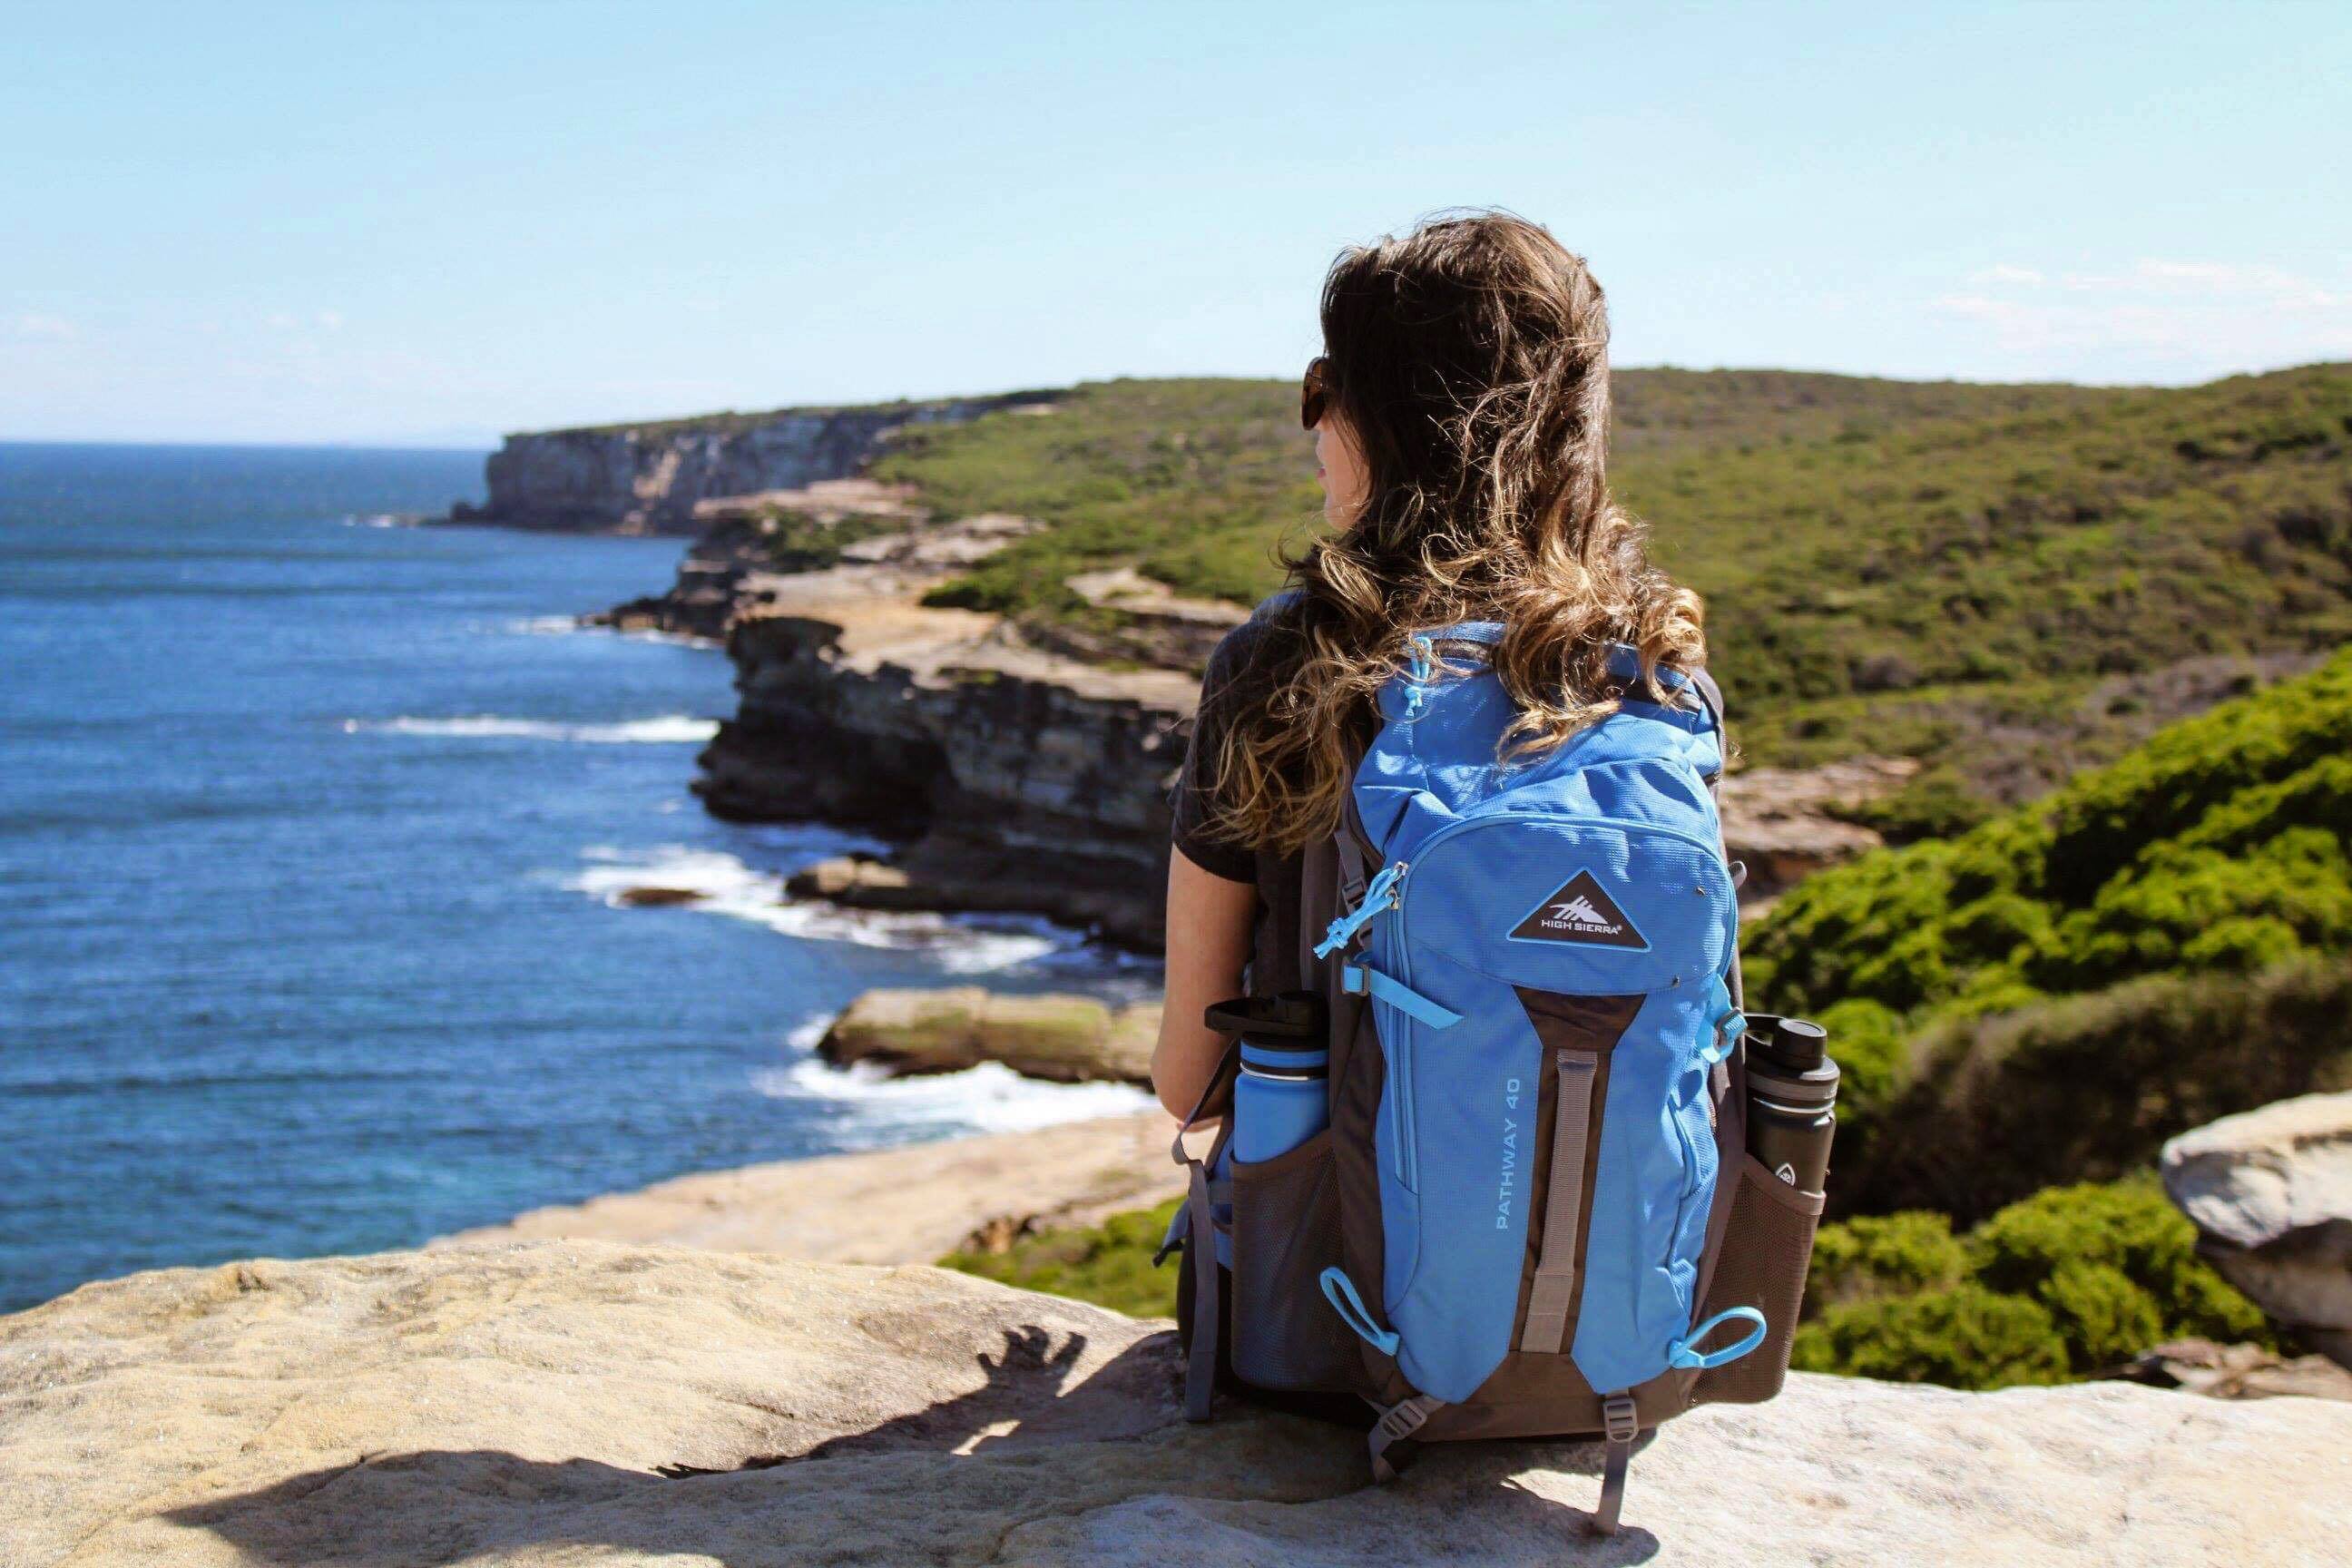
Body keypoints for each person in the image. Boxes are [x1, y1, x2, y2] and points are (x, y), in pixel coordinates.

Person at [1152, 209, 1710, 1122]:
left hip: (1340, 1255)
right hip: (1619, 1250)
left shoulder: (1284, 663)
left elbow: (1193, 1082)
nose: (1316, 426)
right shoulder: (1660, 676)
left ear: (1385, 416)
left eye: (1324, 389)